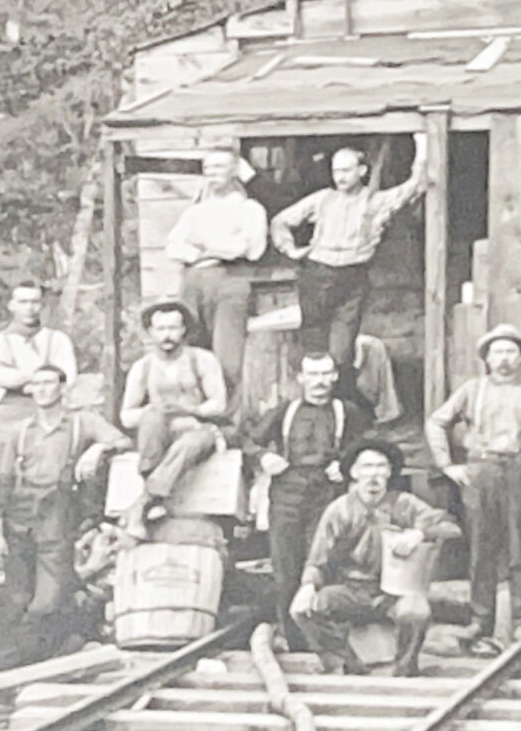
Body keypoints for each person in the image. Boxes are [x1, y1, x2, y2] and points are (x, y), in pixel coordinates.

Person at [272, 137, 431, 412]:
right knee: (314, 349)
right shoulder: (323, 199)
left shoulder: (377, 202)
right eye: (335, 171)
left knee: (342, 352)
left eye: (346, 170)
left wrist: (424, 144)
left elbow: (417, 183)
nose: (340, 177)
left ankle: (345, 411)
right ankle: (312, 412)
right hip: (318, 276)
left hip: (353, 278)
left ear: (362, 171)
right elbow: (281, 221)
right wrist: (291, 249)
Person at [424, 324, 521, 654]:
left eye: (511, 352)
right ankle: (480, 620)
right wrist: (447, 465)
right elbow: (436, 422)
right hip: (480, 470)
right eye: (497, 352)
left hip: (519, 471)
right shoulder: (472, 390)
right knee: (482, 548)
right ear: (486, 358)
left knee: (519, 547)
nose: (504, 359)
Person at [291, 440, 461, 677]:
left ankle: (404, 670)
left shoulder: (405, 504)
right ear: (354, 473)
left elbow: (450, 526)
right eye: (367, 467)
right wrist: (308, 586)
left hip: (395, 592)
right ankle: (345, 665)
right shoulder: (339, 510)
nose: (374, 475)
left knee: (416, 611)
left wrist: (419, 533)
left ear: (390, 472)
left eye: (381, 467)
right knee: (303, 610)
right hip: (352, 591)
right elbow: (318, 559)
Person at [0, 364, 125, 640]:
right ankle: (18, 651)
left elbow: (121, 441)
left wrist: (97, 448)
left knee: (47, 599)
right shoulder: (19, 431)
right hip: (19, 518)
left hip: (57, 517)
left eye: (49, 383)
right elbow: (4, 480)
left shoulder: (81, 422)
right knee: (16, 597)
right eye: (36, 384)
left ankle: (41, 645)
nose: (42, 389)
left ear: (63, 388)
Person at [243, 349, 365, 650]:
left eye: (325, 374)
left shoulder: (346, 411)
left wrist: (348, 465)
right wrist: (265, 456)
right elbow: (248, 441)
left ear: (335, 376)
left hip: (327, 494)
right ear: (301, 378)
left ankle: (326, 640)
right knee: (286, 569)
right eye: (312, 374)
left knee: (325, 565)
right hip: (287, 492)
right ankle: (294, 640)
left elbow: (368, 448)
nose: (319, 381)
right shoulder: (285, 411)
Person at [163, 142, 269, 405]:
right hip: (193, 281)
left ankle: (228, 421)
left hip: (230, 281)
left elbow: (250, 250)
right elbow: (173, 246)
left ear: (235, 170)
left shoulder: (249, 209)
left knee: (227, 357)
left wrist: (206, 245)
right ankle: (194, 414)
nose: (212, 172)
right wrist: (208, 250)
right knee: (189, 351)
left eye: (219, 166)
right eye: (207, 167)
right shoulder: (195, 211)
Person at [118, 299, 229, 541]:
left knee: (188, 443)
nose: (167, 335)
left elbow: (219, 404)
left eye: (173, 328)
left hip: (197, 429)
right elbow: (126, 416)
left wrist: (187, 409)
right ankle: (154, 495)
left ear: (184, 330)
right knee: (153, 416)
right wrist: (157, 410)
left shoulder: (202, 359)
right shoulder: (143, 367)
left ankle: (143, 503)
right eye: (160, 329)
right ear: (150, 332)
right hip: (158, 436)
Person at [0, 280, 77, 436]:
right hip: (11, 414)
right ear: (11, 305)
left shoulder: (58, 339)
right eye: (23, 302)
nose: (29, 308)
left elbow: (69, 377)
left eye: (34, 302)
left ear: (42, 305)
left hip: (51, 412)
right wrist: (45, 377)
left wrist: (22, 379)